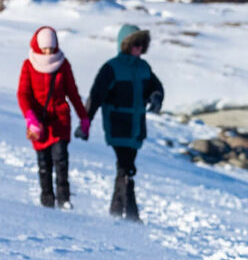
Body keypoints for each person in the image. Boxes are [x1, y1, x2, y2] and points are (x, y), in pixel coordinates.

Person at [86, 23, 164, 221]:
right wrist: (85, 121)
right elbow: (96, 95)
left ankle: (115, 211)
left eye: (141, 44)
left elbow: (156, 87)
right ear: (125, 45)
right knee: (126, 168)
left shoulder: (144, 68)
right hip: (118, 125)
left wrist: (156, 98)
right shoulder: (112, 68)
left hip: (137, 128)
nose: (138, 48)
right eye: (134, 44)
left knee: (124, 169)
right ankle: (132, 216)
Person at [17, 26, 87, 209]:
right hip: (39, 123)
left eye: (51, 47)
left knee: (61, 160)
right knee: (44, 163)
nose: (48, 51)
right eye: (45, 48)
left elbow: (72, 93)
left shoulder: (63, 64)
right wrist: (30, 117)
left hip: (60, 119)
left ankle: (64, 200)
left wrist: (84, 117)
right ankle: (47, 200)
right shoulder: (29, 65)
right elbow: (23, 94)